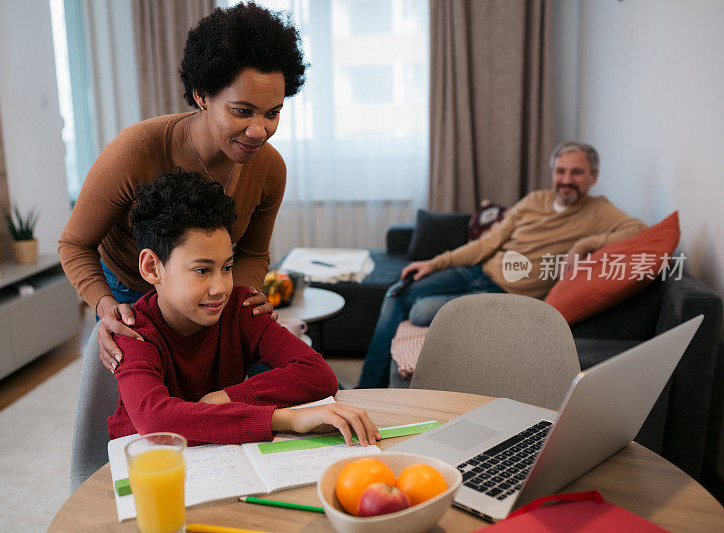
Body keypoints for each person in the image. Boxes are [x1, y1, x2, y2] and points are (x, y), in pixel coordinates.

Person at [59, 3, 307, 373]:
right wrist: (105, 306)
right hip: (130, 293)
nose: (260, 131)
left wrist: (242, 297)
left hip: (206, 290)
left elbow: (254, 253)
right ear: (202, 96)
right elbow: (75, 244)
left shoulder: (270, 169)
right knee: (145, 405)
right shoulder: (134, 152)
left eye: (272, 113)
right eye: (242, 111)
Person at [107, 169, 380, 447]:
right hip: (144, 463)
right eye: (202, 270)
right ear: (152, 268)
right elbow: (156, 420)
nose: (220, 287)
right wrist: (289, 419)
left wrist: (224, 397)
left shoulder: (239, 308)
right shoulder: (133, 331)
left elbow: (317, 373)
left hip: (217, 453)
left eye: (226, 267)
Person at [357, 142, 648, 388]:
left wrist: (584, 246)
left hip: (504, 296)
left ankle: (373, 386)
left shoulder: (599, 211)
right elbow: (488, 243)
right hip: (477, 270)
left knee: (420, 309)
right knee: (397, 291)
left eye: (577, 172)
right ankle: (367, 389)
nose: (566, 179)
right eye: (561, 171)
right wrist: (434, 263)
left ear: (593, 177)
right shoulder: (535, 200)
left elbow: (639, 230)